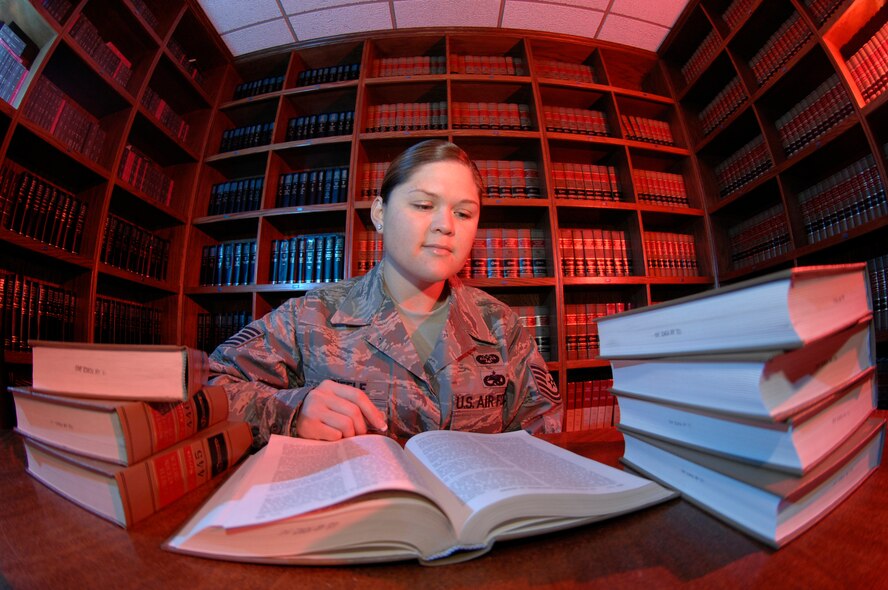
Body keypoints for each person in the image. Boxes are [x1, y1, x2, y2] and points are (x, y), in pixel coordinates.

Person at [209, 139, 562, 447]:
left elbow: (544, 429)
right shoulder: (311, 315)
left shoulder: (500, 325)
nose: (446, 225)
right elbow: (211, 385)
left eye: (464, 212)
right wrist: (292, 412)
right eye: (424, 206)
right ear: (380, 213)